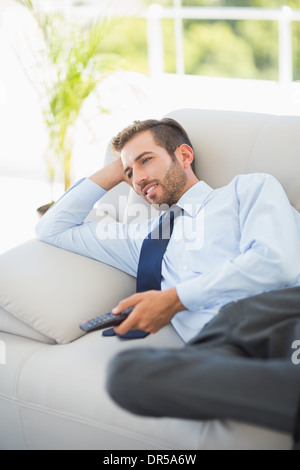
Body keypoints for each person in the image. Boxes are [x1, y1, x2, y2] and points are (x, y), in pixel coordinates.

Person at [36, 118, 300, 448]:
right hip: (220, 350)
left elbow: (277, 264)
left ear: (184, 155)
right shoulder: (143, 239)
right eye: (130, 173)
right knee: (126, 375)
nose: (138, 178)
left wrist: (176, 299)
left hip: (281, 316)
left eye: (146, 159)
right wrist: (117, 169)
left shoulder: (247, 190)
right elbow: (52, 229)